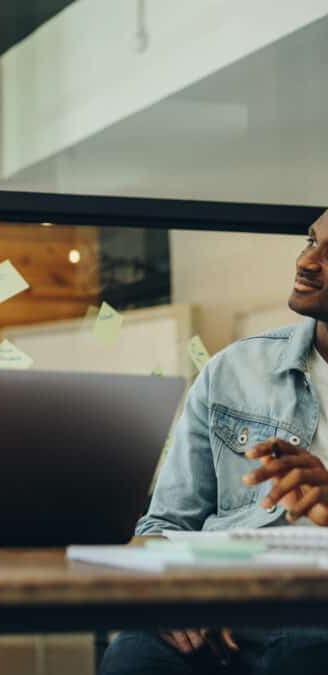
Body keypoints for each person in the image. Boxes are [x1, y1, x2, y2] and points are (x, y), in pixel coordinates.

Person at [99, 210, 328, 675]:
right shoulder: (233, 370)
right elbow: (163, 526)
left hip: (314, 617)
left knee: (301, 652)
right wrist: (169, 596)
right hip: (216, 610)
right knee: (134, 657)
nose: (307, 261)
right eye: (310, 241)